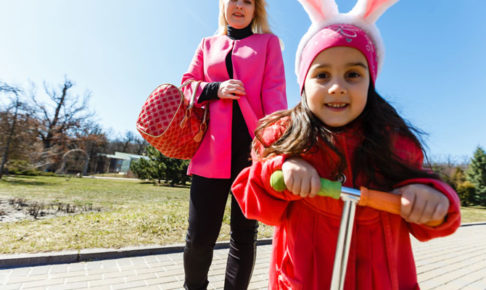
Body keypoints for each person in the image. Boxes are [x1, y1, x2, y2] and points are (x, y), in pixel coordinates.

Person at [231, 0, 461, 289]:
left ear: (370, 83)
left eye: (352, 74)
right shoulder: (282, 136)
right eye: (322, 75)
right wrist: (283, 167)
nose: (337, 86)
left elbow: (429, 216)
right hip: (305, 279)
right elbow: (252, 199)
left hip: (381, 279)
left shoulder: (395, 143)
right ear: (304, 84)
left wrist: (431, 199)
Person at [180, 0, 287, 289]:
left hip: (252, 153)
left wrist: (278, 144)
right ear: (224, 5)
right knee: (199, 237)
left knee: (243, 236)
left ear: (255, 10)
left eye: (248, 2)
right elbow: (187, 85)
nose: (240, 6)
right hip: (210, 151)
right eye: (235, 0)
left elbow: (275, 94)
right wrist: (215, 89)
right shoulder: (207, 44)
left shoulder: (268, 43)